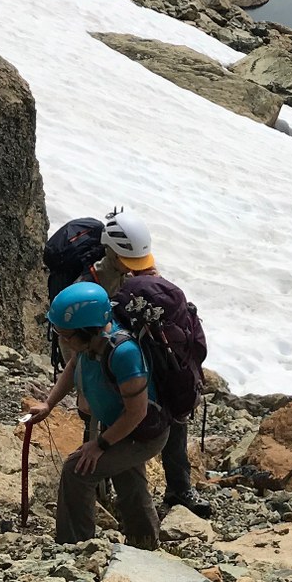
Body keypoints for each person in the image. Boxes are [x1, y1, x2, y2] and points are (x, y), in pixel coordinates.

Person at [20, 281, 169, 547]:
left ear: (88, 330)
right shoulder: (90, 344)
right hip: (122, 427)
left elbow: (137, 413)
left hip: (143, 432)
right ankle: (145, 544)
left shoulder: (125, 354)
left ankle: (75, 546)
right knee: (129, 482)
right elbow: (74, 366)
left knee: (78, 470)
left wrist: (99, 445)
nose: (63, 341)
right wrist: (49, 404)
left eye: (67, 335)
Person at [92, 208, 212, 519]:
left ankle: (132, 496)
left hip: (144, 367)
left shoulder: (132, 287)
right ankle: (174, 489)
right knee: (163, 422)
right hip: (156, 368)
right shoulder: (154, 285)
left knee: (139, 422)